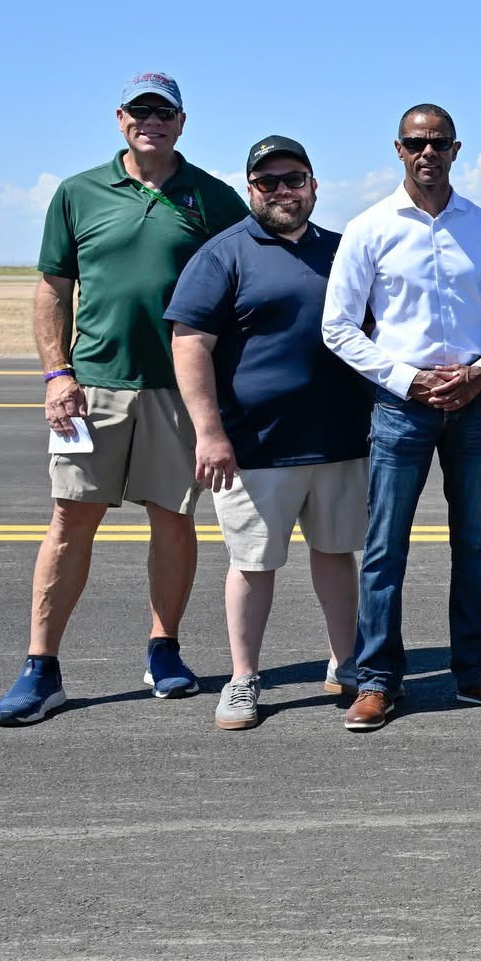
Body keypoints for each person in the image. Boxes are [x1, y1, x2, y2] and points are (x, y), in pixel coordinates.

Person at [0, 73, 249, 726]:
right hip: (92, 389)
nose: (152, 122)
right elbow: (53, 288)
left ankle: (164, 650)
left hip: (179, 390)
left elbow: (247, 277)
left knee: (172, 516)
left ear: (182, 122)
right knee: (70, 519)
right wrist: (57, 376)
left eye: (164, 112)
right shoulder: (78, 193)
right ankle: (40, 667)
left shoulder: (212, 198)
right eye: (141, 112)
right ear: (120, 119)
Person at [322, 104, 481, 732]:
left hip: (474, 406)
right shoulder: (370, 228)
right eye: (417, 143)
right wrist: (407, 379)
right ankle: (378, 680)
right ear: (399, 149)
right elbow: (337, 326)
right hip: (400, 409)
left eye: (439, 142)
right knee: (385, 548)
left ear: (457, 149)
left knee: (475, 546)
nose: (428, 153)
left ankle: (477, 672)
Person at [165, 136, 373, 730]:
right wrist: (210, 433)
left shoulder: (342, 250)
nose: (283, 190)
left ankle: (346, 663)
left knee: (337, 555)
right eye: (268, 181)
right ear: (251, 188)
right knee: (253, 563)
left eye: (294, 178)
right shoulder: (223, 253)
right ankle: (244, 679)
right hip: (255, 447)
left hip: (340, 440)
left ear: (313, 184)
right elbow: (190, 344)